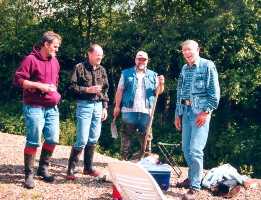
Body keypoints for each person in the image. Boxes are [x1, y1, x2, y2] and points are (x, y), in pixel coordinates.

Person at [13, 31, 62, 189]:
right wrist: (39, 86)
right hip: (34, 107)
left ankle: (43, 168)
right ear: (46, 45)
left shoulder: (55, 61)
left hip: (52, 107)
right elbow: (19, 79)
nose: (57, 49)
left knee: (53, 138)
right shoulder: (30, 59)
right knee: (34, 140)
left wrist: (55, 92)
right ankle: (29, 174)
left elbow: (55, 80)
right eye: (55, 46)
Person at [174, 40, 220, 199]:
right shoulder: (184, 69)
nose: (186, 52)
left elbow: (214, 94)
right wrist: (177, 114)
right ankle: (193, 177)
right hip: (185, 112)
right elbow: (180, 93)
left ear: (197, 50)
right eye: (183, 50)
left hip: (200, 113)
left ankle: (195, 187)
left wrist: (206, 112)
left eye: (189, 49)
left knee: (195, 150)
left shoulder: (208, 65)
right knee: (186, 150)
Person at [66, 44, 109, 180]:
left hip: (98, 106)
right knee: (82, 139)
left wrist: (105, 107)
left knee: (94, 138)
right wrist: (86, 90)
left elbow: (106, 90)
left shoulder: (102, 70)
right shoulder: (79, 68)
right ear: (89, 54)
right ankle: (70, 170)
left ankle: (88, 168)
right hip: (84, 105)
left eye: (101, 55)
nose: (100, 57)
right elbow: (71, 87)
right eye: (98, 55)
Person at [113, 50, 165, 160]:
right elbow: (119, 90)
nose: (141, 61)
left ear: (147, 61)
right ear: (135, 60)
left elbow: (158, 92)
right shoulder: (126, 73)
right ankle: (124, 160)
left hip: (146, 111)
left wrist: (161, 83)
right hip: (128, 110)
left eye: (144, 59)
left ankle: (145, 161)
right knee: (126, 136)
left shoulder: (153, 75)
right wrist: (117, 106)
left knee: (147, 137)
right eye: (139, 59)